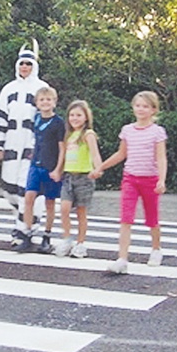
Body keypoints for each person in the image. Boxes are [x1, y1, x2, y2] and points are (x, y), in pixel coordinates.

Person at [91, 90, 167, 273]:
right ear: (133, 107)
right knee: (126, 218)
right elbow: (121, 154)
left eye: (145, 106)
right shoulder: (127, 130)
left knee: (152, 218)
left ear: (153, 110)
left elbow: (161, 157)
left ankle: (156, 249)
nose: (141, 109)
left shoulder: (157, 132)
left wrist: (161, 180)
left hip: (150, 179)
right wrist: (101, 167)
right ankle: (122, 258)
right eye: (138, 105)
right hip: (130, 178)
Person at [0, 45, 48, 244]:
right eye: (22, 63)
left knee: (28, 189)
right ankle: (20, 223)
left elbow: (46, 117)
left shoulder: (41, 88)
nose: (24, 67)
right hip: (11, 145)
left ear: (34, 66)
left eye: (28, 63)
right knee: (10, 190)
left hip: (32, 148)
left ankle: (25, 230)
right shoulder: (8, 89)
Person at [15, 86, 65, 254]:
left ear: (54, 102)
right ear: (37, 103)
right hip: (35, 166)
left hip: (50, 167)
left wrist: (58, 169)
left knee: (49, 203)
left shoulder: (58, 123)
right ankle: (27, 233)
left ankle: (47, 236)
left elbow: (62, 148)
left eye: (48, 99)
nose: (45, 102)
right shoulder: (36, 119)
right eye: (42, 100)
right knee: (28, 198)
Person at [52, 99, 102, 259]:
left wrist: (98, 168)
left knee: (81, 212)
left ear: (86, 117)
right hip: (68, 177)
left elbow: (95, 153)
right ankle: (67, 239)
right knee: (64, 209)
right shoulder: (69, 135)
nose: (75, 118)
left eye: (79, 115)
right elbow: (64, 155)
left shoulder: (88, 134)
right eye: (72, 115)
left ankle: (81, 244)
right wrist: (58, 171)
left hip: (84, 177)